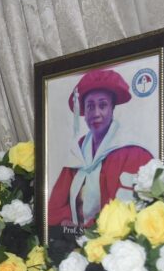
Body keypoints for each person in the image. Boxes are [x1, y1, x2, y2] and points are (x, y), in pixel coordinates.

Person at [48, 68, 153, 228]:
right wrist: (71, 217)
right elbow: (54, 207)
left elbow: (125, 213)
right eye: (90, 106)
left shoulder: (132, 152)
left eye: (102, 105)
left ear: (112, 109)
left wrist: (85, 226)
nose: (96, 113)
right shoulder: (80, 149)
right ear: (83, 111)